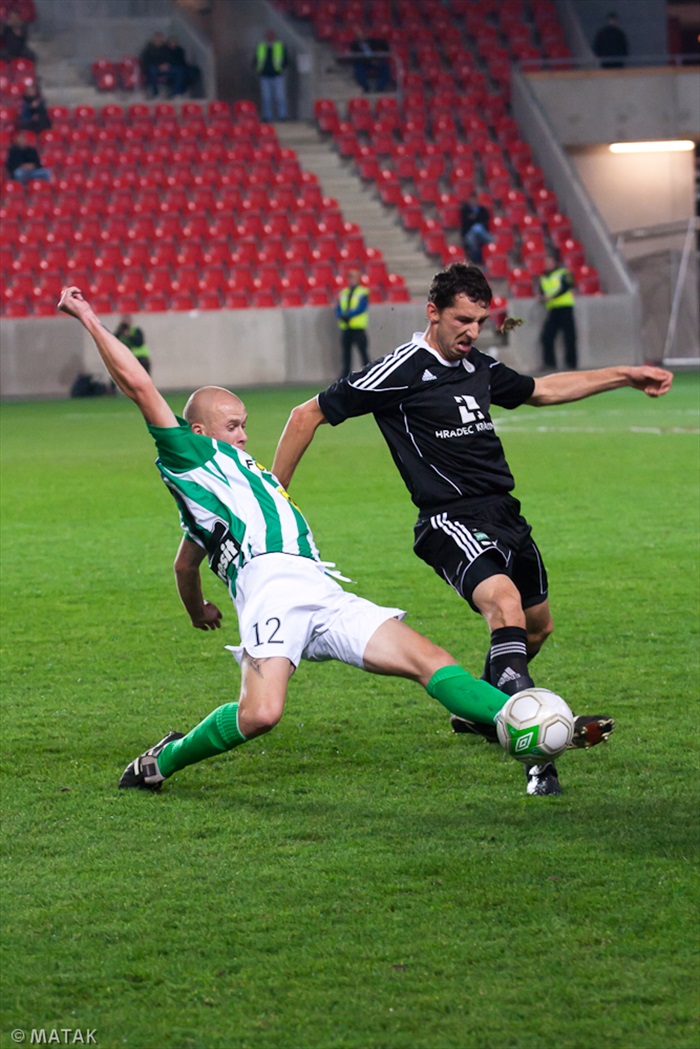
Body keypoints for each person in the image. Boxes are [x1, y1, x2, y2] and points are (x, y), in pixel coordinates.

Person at [57, 283, 531, 796]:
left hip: (320, 587)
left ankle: (527, 721)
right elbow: (140, 386)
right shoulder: (193, 459)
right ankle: (162, 760)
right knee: (261, 714)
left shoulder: (238, 479)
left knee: (431, 660)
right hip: (272, 589)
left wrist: (197, 609)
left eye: (245, 425)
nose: (243, 435)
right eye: (233, 425)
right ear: (197, 432)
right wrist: (87, 317)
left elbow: (185, 565)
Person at [272, 263, 673, 795]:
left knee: (536, 628)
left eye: (481, 321)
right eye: (463, 319)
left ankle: (480, 711)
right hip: (448, 518)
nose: (472, 332)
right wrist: (273, 498)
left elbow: (542, 390)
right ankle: (537, 755)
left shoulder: (477, 364)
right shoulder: (397, 369)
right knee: (503, 605)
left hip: (504, 514)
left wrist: (623, 374)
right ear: (432, 312)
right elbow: (306, 415)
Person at [539, 254, 577, 371]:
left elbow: (566, 286)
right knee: (546, 336)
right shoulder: (543, 277)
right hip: (553, 310)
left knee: (569, 337)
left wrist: (552, 297)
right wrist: (542, 297)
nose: (547, 265)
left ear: (555, 263)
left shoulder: (563, 273)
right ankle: (550, 364)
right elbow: (542, 291)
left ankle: (571, 364)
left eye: (549, 262)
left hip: (565, 307)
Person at [336, 267, 370, 378]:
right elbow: (338, 307)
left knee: (363, 353)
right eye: (350, 277)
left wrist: (348, 315)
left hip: (358, 327)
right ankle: (344, 378)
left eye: (353, 277)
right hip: (346, 327)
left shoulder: (362, 292)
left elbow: (361, 307)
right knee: (346, 355)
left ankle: (369, 375)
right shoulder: (344, 292)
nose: (351, 280)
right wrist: (341, 315)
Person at [254, 28, 288, 123]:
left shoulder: (280, 46)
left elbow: (285, 60)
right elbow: (256, 59)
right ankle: (267, 116)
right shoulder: (261, 46)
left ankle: (282, 116)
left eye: (271, 35)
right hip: (265, 76)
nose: (270, 37)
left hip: (277, 75)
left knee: (280, 97)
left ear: (275, 36)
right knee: (266, 98)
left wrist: (281, 68)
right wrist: (258, 69)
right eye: (268, 35)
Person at [140, 30, 184, 98]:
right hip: (153, 69)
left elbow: (171, 58)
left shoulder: (166, 48)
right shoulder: (148, 49)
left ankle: (177, 93)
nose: (159, 40)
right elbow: (145, 62)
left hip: (165, 68)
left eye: (160, 38)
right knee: (152, 71)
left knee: (179, 71)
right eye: (157, 38)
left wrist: (167, 65)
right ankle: (155, 93)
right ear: (154, 39)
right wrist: (158, 66)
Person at [460, 193, 493, 267]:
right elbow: (465, 223)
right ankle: (477, 258)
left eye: (475, 200)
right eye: (472, 200)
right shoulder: (465, 210)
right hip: (469, 232)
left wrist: (474, 219)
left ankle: (492, 251)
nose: (473, 201)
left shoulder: (482, 210)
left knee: (479, 229)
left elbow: (485, 221)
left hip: (482, 231)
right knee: (471, 240)